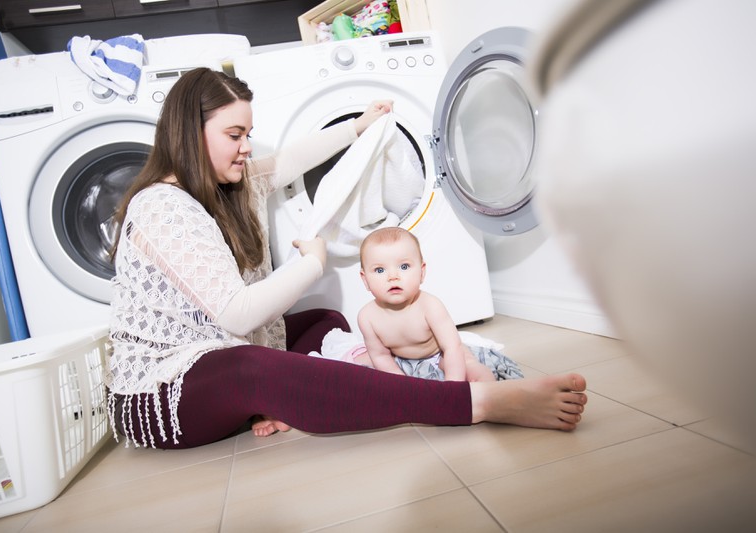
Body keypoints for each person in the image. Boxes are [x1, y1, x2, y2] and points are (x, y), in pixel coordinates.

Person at [106, 67, 588, 449]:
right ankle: (474, 402)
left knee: (325, 321)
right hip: (160, 396)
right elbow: (237, 313)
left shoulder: (228, 185)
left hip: (216, 356)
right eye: (235, 135)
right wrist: (312, 263)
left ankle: (284, 394)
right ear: (191, 131)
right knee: (253, 366)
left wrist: (358, 128)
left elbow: (290, 161)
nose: (246, 147)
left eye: (248, 134)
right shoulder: (161, 207)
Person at [358, 227, 520, 382]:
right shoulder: (367, 317)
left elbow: (452, 347)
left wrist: (453, 386)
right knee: (371, 380)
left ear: (422, 272)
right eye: (380, 270)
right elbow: (380, 356)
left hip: (444, 353)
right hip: (402, 361)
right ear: (365, 280)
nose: (393, 276)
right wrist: (401, 384)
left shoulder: (430, 306)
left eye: (404, 266)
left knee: (472, 367)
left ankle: (485, 395)